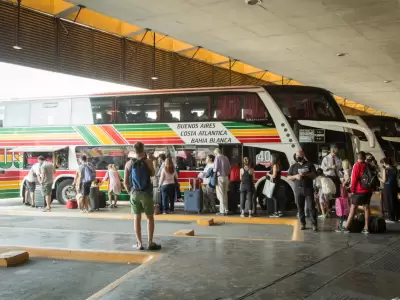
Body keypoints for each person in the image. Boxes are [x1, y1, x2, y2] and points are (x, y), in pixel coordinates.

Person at [124, 142, 161, 251]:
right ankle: (150, 242)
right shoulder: (148, 161)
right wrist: (150, 160)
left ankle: (139, 244)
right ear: (143, 149)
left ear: (134, 151)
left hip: (135, 194)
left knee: (137, 218)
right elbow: (153, 174)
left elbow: (125, 182)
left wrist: (130, 192)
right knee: (150, 218)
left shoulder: (128, 163)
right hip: (146, 193)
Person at [339, 151, 372, 234]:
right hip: (368, 190)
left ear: (357, 157)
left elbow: (353, 179)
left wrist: (352, 190)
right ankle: (366, 228)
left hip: (359, 191)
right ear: (364, 157)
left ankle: (346, 227)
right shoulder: (367, 165)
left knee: (353, 208)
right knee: (366, 208)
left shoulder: (357, 165)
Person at [287, 150, 318, 231]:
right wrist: (296, 176)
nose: (298, 157)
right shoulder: (293, 166)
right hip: (298, 190)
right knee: (300, 207)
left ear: (303, 155)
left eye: (299, 155)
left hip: (308, 189)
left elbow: (315, 175)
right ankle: (302, 223)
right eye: (297, 155)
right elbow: (288, 177)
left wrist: (306, 174)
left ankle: (314, 224)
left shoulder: (309, 164)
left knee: (311, 207)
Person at [380, 158, 399, 223]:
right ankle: (397, 217)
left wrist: (379, 178)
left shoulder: (385, 170)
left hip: (388, 187)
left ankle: (391, 218)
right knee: (394, 200)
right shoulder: (395, 169)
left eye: (382, 163)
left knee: (388, 201)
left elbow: (384, 180)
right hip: (394, 186)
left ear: (384, 163)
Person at [213, 148, 231, 216]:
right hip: (226, 177)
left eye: (215, 154)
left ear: (216, 153)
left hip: (220, 177)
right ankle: (226, 210)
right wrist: (226, 173)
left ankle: (222, 211)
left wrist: (213, 170)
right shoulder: (226, 158)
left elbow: (216, 169)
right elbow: (229, 167)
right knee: (225, 194)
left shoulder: (217, 158)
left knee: (220, 194)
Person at [269, 153, 283, 218]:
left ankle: (276, 212)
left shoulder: (275, 165)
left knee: (274, 196)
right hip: (278, 182)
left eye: (272, 157)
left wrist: (268, 174)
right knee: (276, 196)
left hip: (274, 182)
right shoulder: (278, 165)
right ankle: (279, 211)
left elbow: (274, 175)